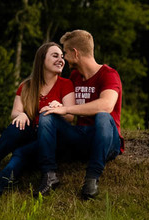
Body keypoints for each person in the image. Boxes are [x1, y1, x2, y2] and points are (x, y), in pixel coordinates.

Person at [35, 29, 123, 199]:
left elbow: (106, 105)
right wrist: (58, 106)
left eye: (65, 53)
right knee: (47, 115)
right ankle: (49, 174)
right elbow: (65, 105)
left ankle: (92, 178)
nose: (63, 58)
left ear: (75, 53)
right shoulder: (75, 76)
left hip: (107, 141)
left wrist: (66, 109)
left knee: (103, 116)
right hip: (82, 137)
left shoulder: (109, 75)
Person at [0, 42, 73, 195]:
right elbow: (14, 113)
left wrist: (60, 109)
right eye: (55, 55)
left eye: (62, 57)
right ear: (42, 60)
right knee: (17, 127)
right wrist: (21, 114)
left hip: (50, 139)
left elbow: (70, 117)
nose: (61, 59)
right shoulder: (27, 86)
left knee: (21, 153)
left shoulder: (66, 84)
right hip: (29, 134)